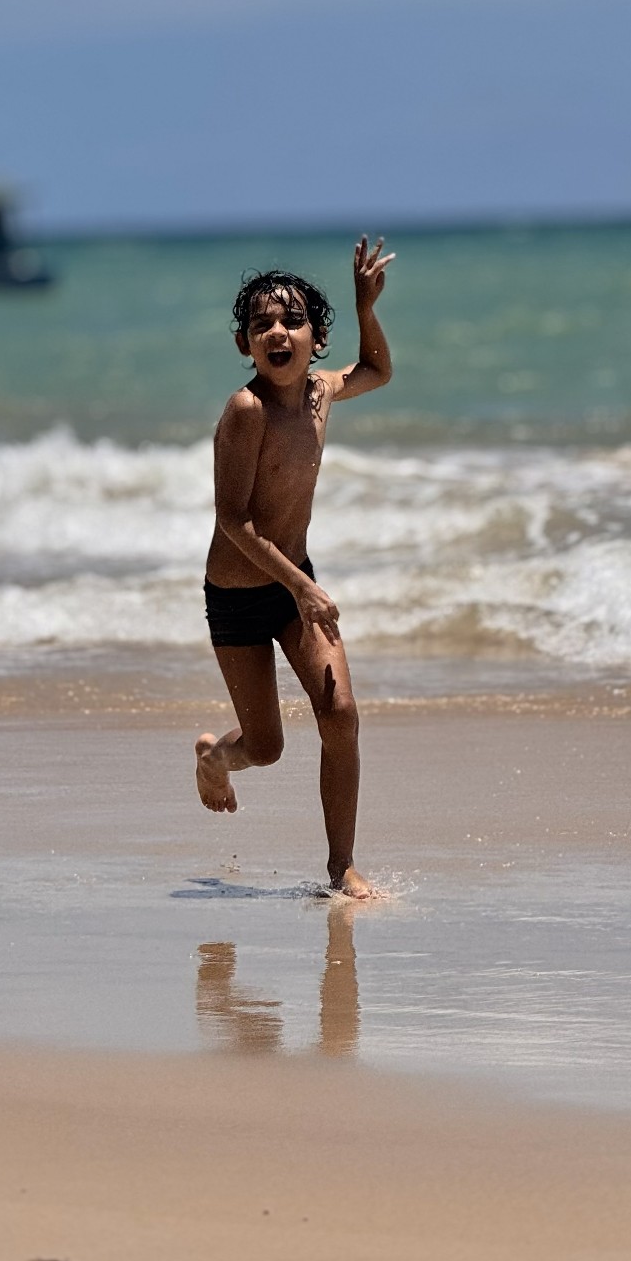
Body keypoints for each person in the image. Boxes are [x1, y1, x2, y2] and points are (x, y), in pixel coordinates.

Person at [195, 237, 395, 897]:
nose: (276, 331)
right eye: (261, 325)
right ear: (244, 344)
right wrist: (304, 586)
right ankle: (215, 759)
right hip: (239, 594)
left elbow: (378, 369)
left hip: (292, 583)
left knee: (340, 714)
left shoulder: (320, 394)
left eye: (291, 320)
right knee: (267, 745)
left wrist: (368, 306)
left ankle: (342, 869)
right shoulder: (246, 410)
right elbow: (234, 522)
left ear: (316, 336)